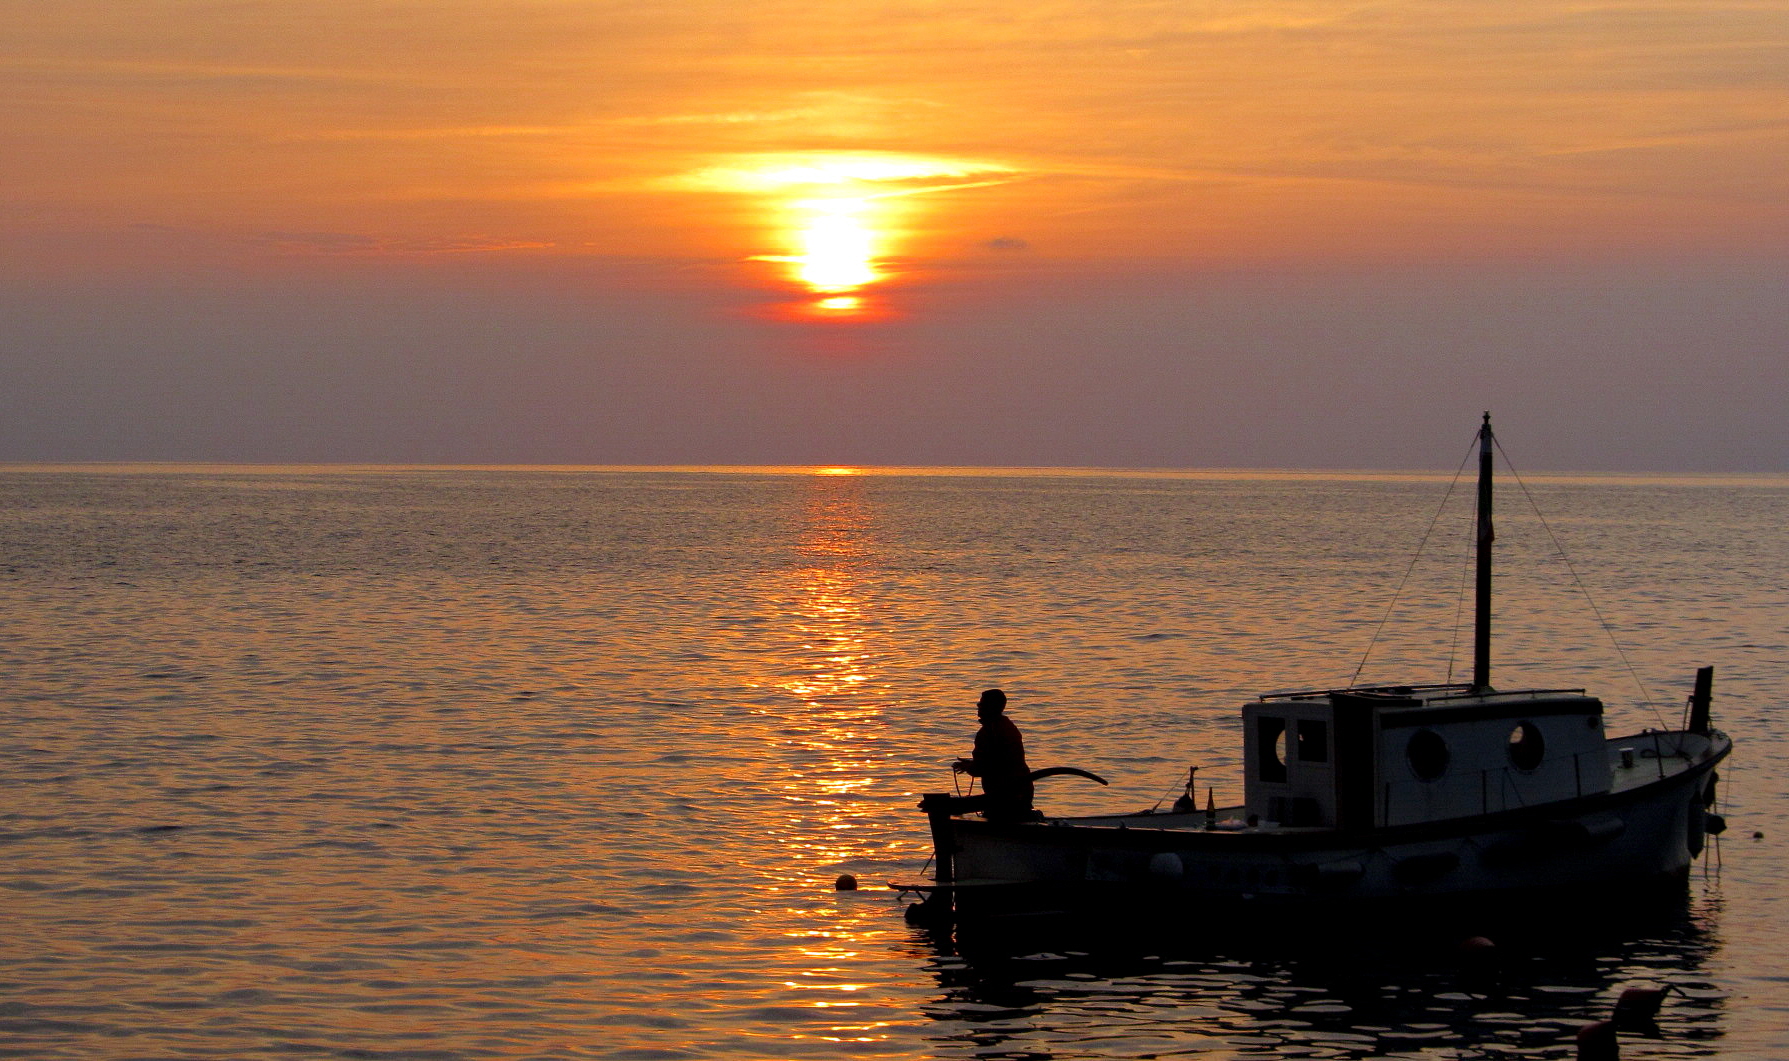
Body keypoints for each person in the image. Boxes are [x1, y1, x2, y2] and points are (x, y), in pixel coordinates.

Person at [953, 688, 1035, 821]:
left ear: (990, 707)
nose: (978, 708)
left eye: (981, 705)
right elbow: (998, 760)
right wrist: (970, 764)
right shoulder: (1008, 727)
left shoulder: (989, 732)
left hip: (1003, 796)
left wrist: (968, 767)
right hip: (1021, 792)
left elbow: (986, 766)